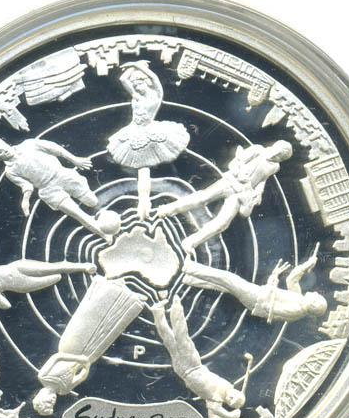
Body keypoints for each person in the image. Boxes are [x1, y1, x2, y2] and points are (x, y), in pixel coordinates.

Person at [157, 140, 293, 253]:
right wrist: (239, 173)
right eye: (277, 153)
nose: (276, 157)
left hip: (241, 194)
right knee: (202, 198)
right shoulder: (257, 150)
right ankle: (167, 209)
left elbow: (262, 180)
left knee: (223, 223)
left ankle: (191, 242)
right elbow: (235, 162)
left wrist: (258, 192)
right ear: (274, 147)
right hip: (230, 182)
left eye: (279, 157)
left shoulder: (275, 167)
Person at [0, 137, 113, 242]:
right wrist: (25, 200)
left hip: (63, 175)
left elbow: (55, 148)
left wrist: (75, 160)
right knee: (78, 214)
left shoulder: (29, 144)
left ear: (6, 143)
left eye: (3, 147)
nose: (4, 151)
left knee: (92, 202)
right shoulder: (11, 171)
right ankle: (104, 235)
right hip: (49, 191)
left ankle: (105, 218)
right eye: (0, 153)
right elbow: (27, 186)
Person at [107, 61, 190, 219]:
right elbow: (123, 79)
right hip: (134, 133)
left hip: (150, 132)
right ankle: (143, 201)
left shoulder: (157, 95)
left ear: (147, 82)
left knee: (146, 167)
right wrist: (133, 65)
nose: (137, 87)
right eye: (135, 84)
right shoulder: (136, 96)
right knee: (142, 169)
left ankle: (145, 200)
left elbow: (154, 78)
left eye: (139, 83)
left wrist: (139, 67)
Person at [151, 296, 245, 418]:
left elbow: (212, 417)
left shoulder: (215, 400)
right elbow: (216, 413)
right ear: (237, 391)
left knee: (170, 339)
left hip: (184, 371)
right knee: (180, 337)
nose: (230, 399)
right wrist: (231, 415)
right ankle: (174, 307)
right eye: (234, 397)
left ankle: (161, 310)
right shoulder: (222, 390)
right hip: (193, 366)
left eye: (230, 402)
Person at [182, 245, 327, 323]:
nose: (315, 293)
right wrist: (307, 265)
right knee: (226, 286)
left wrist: (273, 280)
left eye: (316, 297)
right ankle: (191, 279)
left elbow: (270, 307)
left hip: (257, 300)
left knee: (229, 279)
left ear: (313, 304)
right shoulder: (298, 299)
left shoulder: (296, 310)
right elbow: (292, 279)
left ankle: (190, 268)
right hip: (259, 296)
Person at [0, 236, 96, 310]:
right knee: (55, 278)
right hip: (21, 284)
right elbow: (5, 305)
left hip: (17, 267)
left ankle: (84, 267)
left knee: (54, 268)